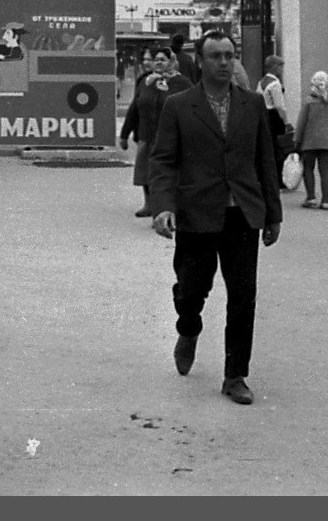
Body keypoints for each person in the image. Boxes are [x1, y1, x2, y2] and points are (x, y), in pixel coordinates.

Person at [149, 30, 281, 406]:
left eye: (230, 55)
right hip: (196, 214)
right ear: (201, 61)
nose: (224, 62)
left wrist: (272, 214)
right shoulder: (178, 105)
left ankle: (235, 374)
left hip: (242, 214)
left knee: (243, 296)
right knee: (191, 290)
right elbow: (163, 160)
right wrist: (163, 206)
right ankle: (188, 329)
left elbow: (265, 161)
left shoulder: (253, 104)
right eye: (216, 56)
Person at [119, 47, 192, 218]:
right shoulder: (145, 81)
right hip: (146, 134)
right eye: (156, 59)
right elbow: (134, 108)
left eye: (163, 60)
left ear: (171, 62)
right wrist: (124, 134)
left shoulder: (182, 83)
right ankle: (149, 204)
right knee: (146, 173)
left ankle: (164, 209)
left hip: (169, 138)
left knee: (165, 174)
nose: (158, 62)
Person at [293, 70, 328, 209]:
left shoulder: (308, 102)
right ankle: (326, 200)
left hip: (309, 141)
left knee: (308, 168)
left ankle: (311, 197)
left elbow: (301, 123)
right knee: (325, 170)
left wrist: (297, 140)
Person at [256, 54, 291, 180]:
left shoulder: (262, 82)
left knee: (268, 147)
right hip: (275, 118)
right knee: (279, 148)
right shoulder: (275, 84)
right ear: (275, 67)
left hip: (264, 116)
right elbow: (279, 106)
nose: (282, 70)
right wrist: (286, 122)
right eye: (281, 66)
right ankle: (279, 178)